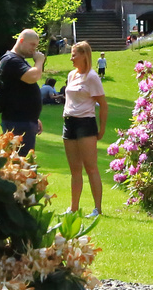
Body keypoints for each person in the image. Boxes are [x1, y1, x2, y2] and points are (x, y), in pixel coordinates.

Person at [61, 40, 108, 216]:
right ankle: (73, 208)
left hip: (85, 124)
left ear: (84, 56)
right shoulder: (72, 75)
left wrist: (101, 129)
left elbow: (103, 105)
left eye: (74, 55)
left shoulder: (92, 77)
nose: (71, 58)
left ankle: (97, 208)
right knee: (74, 169)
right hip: (69, 123)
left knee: (91, 167)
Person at [0, 29, 47, 156]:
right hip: (17, 122)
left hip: (24, 120)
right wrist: (40, 61)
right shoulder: (11, 60)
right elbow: (32, 77)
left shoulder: (19, 60)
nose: (34, 49)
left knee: (23, 161)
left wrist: (33, 117)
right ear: (21, 41)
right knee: (19, 162)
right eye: (32, 45)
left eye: (36, 45)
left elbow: (21, 91)